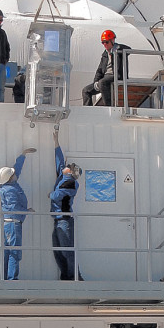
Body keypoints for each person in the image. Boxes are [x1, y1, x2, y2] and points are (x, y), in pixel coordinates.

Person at [0, 148, 36, 279]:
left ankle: (7, 277)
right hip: (14, 224)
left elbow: (16, 169)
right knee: (14, 251)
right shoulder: (11, 190)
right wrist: (27, 211)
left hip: (8, 224)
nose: (15, 174)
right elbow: (14, 207)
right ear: (10, 178)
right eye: (13, 174)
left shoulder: (7, 185)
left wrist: (23, 155)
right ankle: (12, 279)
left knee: (8, 251)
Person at [49, 129, 82, 280]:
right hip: (58, 219)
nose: (66, 165)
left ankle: (75, 276)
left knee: (67, 250)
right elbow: (59, 160)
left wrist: (50, 194)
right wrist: (56, 142)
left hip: (64, 220)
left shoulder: (70, 183)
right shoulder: (63, 177)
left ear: (70, 172)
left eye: (69, 166)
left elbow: (57, 196)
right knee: (58, 249)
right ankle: (65, 276)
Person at [82, 29, 130, 106]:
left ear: (112, 41)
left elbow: (129, 50)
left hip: (116, 76)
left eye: (106, 42)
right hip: (105, 77)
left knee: (102, 82)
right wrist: (95, 82)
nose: (105, 44)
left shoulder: (119, 51)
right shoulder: (105, 55)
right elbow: (100, 70)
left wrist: (117, 48)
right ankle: (88, 110)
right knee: (86, 90)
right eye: (103, 42)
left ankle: (108, 106)